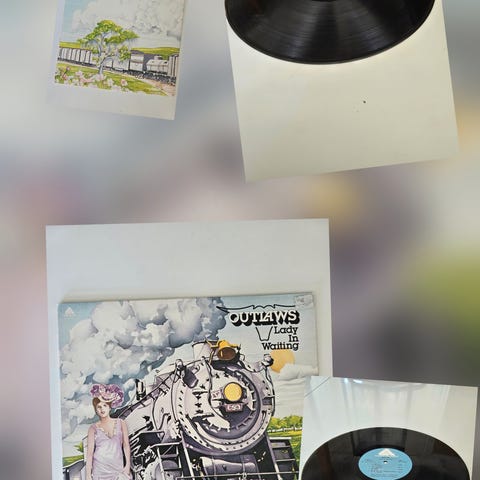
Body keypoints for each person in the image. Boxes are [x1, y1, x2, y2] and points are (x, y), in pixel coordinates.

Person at [85, 384, 131, 480]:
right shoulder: (92, 429)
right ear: (96, 410)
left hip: (117, 470)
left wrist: (127, 465)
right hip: (100, 471)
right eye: (99, 407)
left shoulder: (121, 423)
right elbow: (89, 454)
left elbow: (126, 445)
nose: (102, 409)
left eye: (104, 405)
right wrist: (88, 475)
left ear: (110, 407)